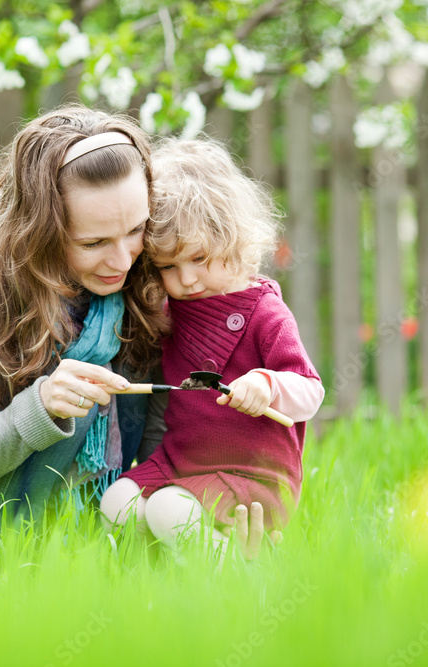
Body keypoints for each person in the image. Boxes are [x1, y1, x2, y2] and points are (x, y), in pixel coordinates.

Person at [0, 107, 278, 556]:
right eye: (92, 243)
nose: (123, 260)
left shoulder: (145, 268)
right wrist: (42, 406)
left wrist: (205, 516)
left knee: (110, 373)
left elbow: (163, 430)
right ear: (39, 231)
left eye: (135, 230)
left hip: (17, 478)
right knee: (81, 389)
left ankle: (84, 537)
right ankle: (25, 547)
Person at [99, 138, 325, 558]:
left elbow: (311, 392)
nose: (185, 280)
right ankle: (161, 571)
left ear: (231, 237)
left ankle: (234, 573)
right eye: (168, 266)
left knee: (167, 509)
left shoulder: (264, 312)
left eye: (199, 258)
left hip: (251, 471)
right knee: (116, 503)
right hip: (183, 460)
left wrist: (267, 384)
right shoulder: (175, 311)